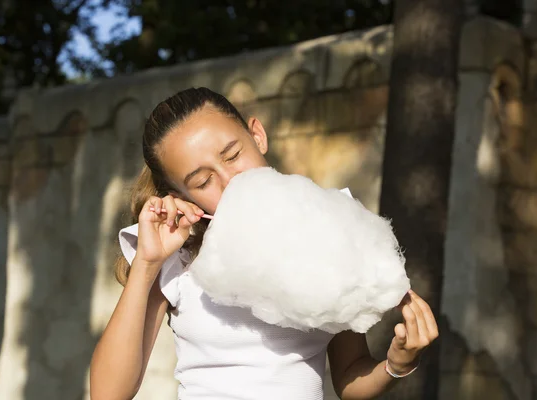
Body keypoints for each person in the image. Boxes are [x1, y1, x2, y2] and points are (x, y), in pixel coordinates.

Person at [90, 87, 439, 400]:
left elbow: (350, 378)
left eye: (232, 155)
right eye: (203, 180)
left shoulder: (329, 230)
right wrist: (147, 264)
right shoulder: (176, 253)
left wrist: (397, 364)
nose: (230, 179)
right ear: (180, 196)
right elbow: (108, 394)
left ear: (257, 135)